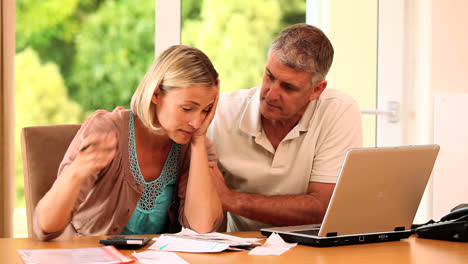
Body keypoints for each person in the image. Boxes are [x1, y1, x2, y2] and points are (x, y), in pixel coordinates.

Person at [34, 45, 223, 240]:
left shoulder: (195, 148)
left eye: (205, 110)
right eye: (187, 108)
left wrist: (199, 140)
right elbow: (46, 227)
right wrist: (77, 171)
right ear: (156, 93)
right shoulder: (107, 130)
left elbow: (202, 226)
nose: (197, 122)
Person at [207, 23, 363, 232]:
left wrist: (232, 200)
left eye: (288, 87)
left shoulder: (339, 110)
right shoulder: (222, 113)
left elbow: (324, 207)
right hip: (242, 248)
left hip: (312, 248)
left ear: (316, 89)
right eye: (269, 76)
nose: (271, 94)